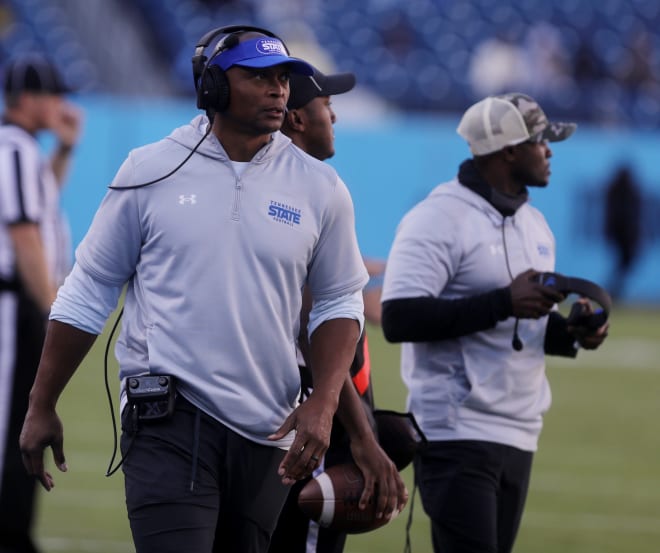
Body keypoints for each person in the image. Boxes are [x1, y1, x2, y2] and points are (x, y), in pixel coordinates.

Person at [18, 27, 403, 553]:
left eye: (283, 78)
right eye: (259, 77)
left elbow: (338, 301)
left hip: (269, 432)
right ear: (213, 87)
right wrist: (43, 403)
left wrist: (325, 402)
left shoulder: (322, 189)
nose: (278, 90)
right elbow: (88, 289)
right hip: (168, 421)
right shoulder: (149, 170)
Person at [380, 93, 609, 553]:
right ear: (509, 150)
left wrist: (575, 333)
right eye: (541, 142)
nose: (550, 152)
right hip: (455, 429)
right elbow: (398, 317)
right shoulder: (437, 218)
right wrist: (503, 302)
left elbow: (524, 326)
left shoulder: (536, 224)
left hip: (520, 430)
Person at [269, 67, 402, 553]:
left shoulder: (297, 188)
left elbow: (331, 299)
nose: (336, 115)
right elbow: (312, 329)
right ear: (299, 118)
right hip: (311, 416)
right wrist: (362, 435)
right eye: (328, 105)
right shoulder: (300, 194)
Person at [0, 54, 82, 553]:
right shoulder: (12, 148)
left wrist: (67, 148)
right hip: (11, 306)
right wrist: (56, 312)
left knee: (18, 422)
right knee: (12, 425)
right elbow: (25, 234)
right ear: (27, 99)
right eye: (53, 94)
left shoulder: (24, 151)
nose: (61, 104)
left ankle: (14, 529)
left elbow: (41, 202)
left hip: (20, 304)